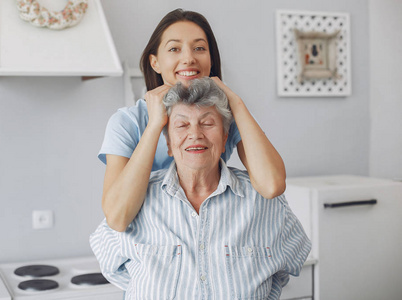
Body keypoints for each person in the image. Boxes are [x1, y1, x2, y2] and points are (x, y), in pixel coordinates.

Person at [90, 78, 311, 299]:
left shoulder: (261, 202)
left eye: (207, 123)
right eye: (182, 125)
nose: (195, 134)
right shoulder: (137, 201)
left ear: (225, 138)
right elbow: (115, 270)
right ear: (168, 144)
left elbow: (283, 270)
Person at [99, 9, 286, 232]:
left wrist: (235, 102)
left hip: (210, 234)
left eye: (199, 48)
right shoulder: (127, 122)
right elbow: (118, 218)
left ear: (211, 60)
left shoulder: (231, 114)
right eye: (174, 48)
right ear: (155, 62)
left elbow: (272, 185)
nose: (189, 58)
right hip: (150, 247)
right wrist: (155, 124)